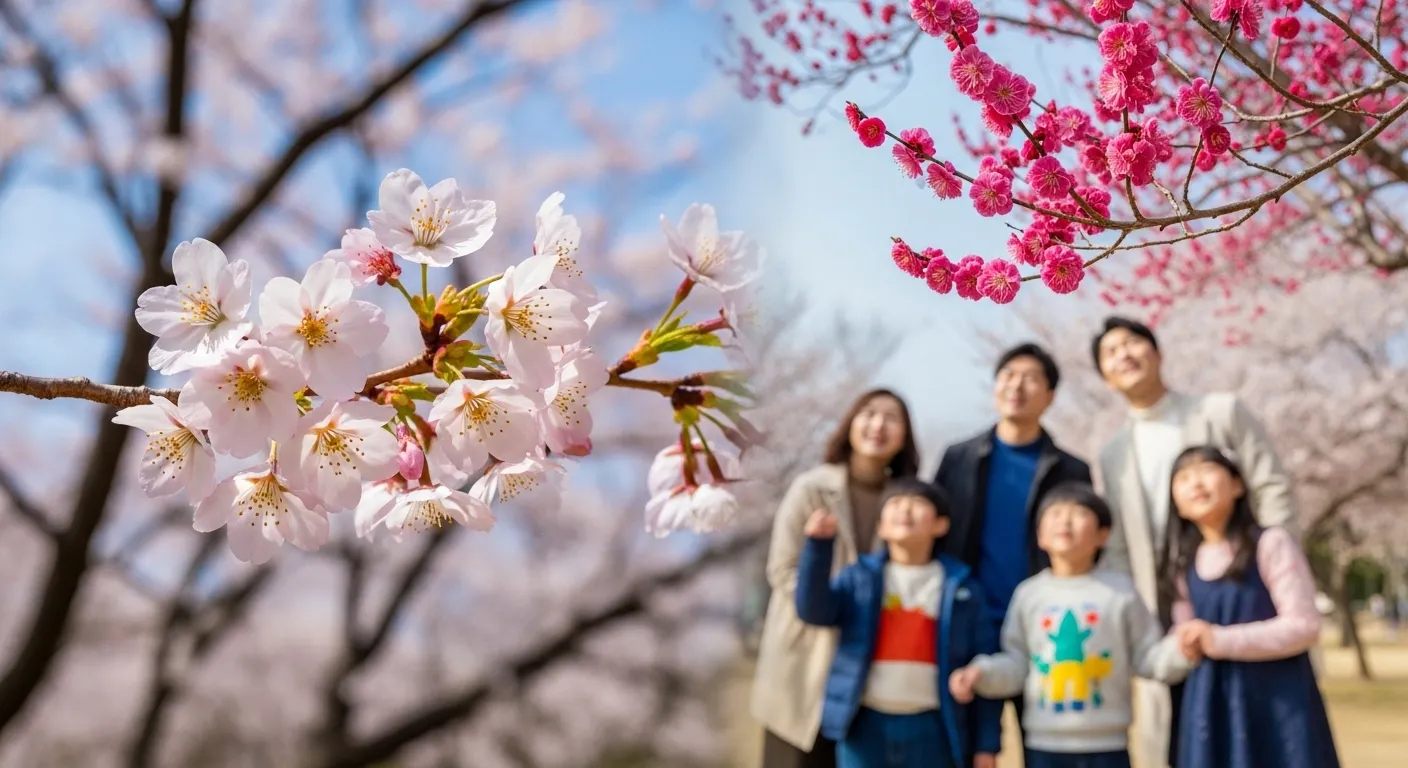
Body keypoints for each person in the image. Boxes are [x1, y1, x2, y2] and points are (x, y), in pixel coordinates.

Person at [1090, 316, 1295, 767]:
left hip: (1239, 589)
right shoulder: (1113, 452)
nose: (1124, 354)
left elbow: (1271, 487)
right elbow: (1121, 542)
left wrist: (1270, 566)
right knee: (1184, 733)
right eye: (1111, 352)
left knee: (1262, 729)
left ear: (1158, 352)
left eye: (1133, 343)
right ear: (1104, 376)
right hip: (1161, 604)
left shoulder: (1220, 412)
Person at [948, 483, 1195, 768]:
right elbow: (1017, 665)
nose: (1065, 521)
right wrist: (982, 673)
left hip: (1108, 745)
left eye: (1078, 513)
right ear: (1040, 536)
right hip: (1043, 745)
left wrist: (1182, 650)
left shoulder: (1120, 592)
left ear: (1103, 535)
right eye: (1054, 514)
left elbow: (1148, 657)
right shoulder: (1030, 594)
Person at [932, 343, 1092, 756]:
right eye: (1008, 375)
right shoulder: (959, 458)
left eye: (1031, 377)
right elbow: (937, 536)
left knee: (1047, 746)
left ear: (1050, 396)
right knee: (966, 748)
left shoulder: (1070, 470)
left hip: (1044, 626)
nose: (1016, 385)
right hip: (969, 620)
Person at [752, 389, 921, 768]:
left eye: (891, 418)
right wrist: (827, 606)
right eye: (869, 413)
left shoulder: (906, 503)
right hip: (804, 661)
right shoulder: (811, 488)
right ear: (850, 425)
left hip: (872, 667)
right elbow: (782, 569)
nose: (878, 425)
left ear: (905, 436)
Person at [794, 477, 1001, 768]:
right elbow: (813, 611)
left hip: (935, 726)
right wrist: (818, 547)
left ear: (940, 525)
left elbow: (985, 666)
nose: (905, 510)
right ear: (882, 526)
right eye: (895, 504)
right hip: (864, 723)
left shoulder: (962, 589)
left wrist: (986, 745)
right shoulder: (859, 578)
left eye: (917, 504)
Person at [1163, 446, 1339, 768]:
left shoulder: (1271, 544)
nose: (1196, 483)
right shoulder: (1183, 563)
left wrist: (1219, 640)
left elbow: (1304, 625)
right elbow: (1184, 629)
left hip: (1277, 699)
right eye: (1184, 477)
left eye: (1206, 471)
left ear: (1238, 485)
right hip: (1211, 703)